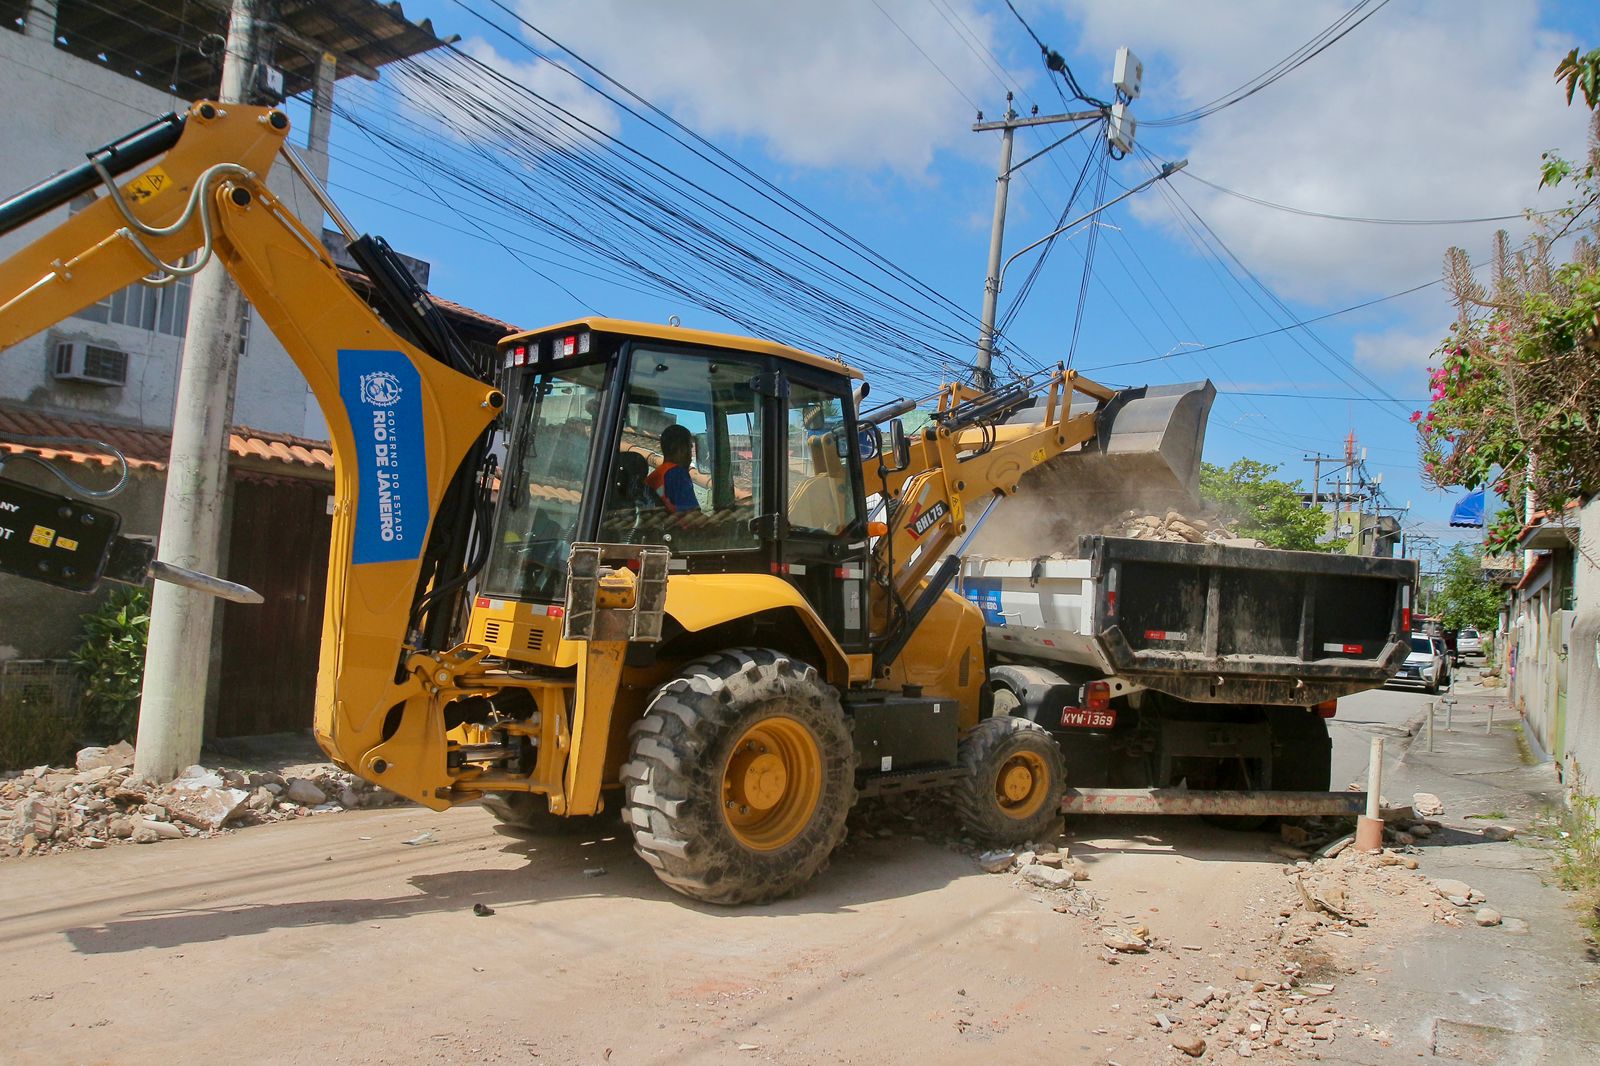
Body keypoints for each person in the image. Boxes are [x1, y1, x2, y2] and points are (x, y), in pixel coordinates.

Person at [647, 424, 700, 513]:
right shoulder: (677, 474)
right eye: (689, 448)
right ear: (681, 450)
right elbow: (693, 516)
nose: (691, 456)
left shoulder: (657, 475)